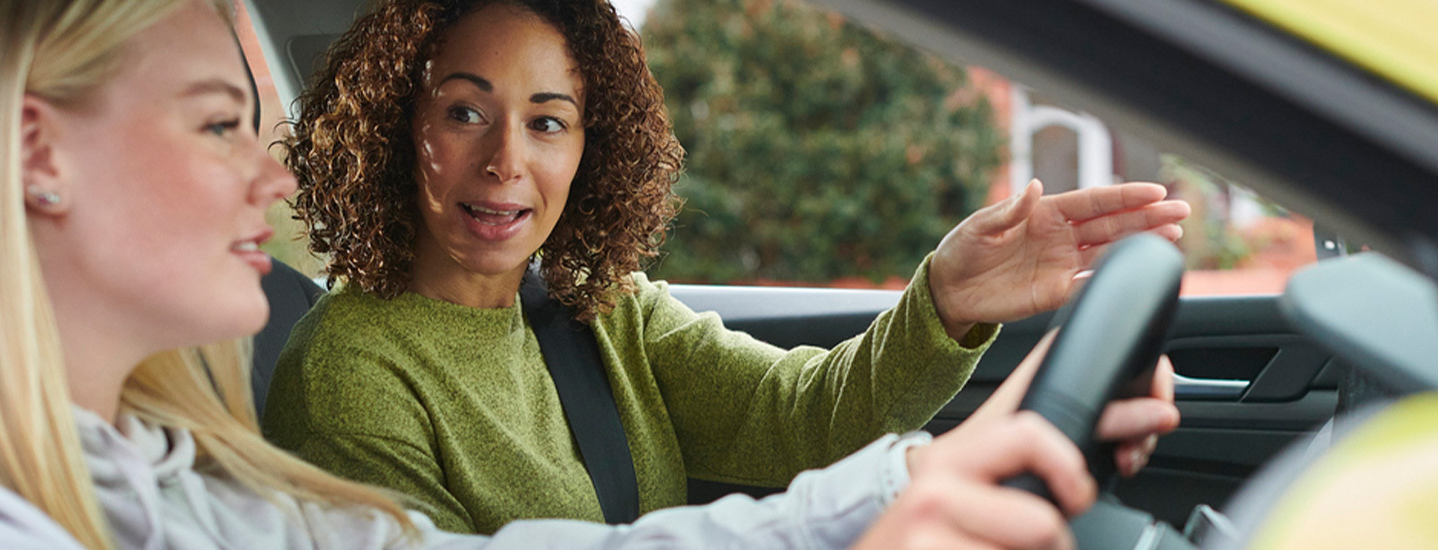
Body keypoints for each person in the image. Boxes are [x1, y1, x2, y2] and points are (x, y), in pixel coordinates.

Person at [0, 0, 1178, 548]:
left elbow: (773, 429)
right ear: (35, 152)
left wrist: (915, 434)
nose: (268, 173)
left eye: (549, 120)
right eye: (217, 121)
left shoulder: (202, 488)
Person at [263, 0, 1189, 533]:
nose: (507, 159)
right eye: (466, 112)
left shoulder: (600, 311)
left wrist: (944, 302)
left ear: (591, 151)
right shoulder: (348, 374)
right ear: (396, 128)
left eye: (547, 121)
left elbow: (805, 422)